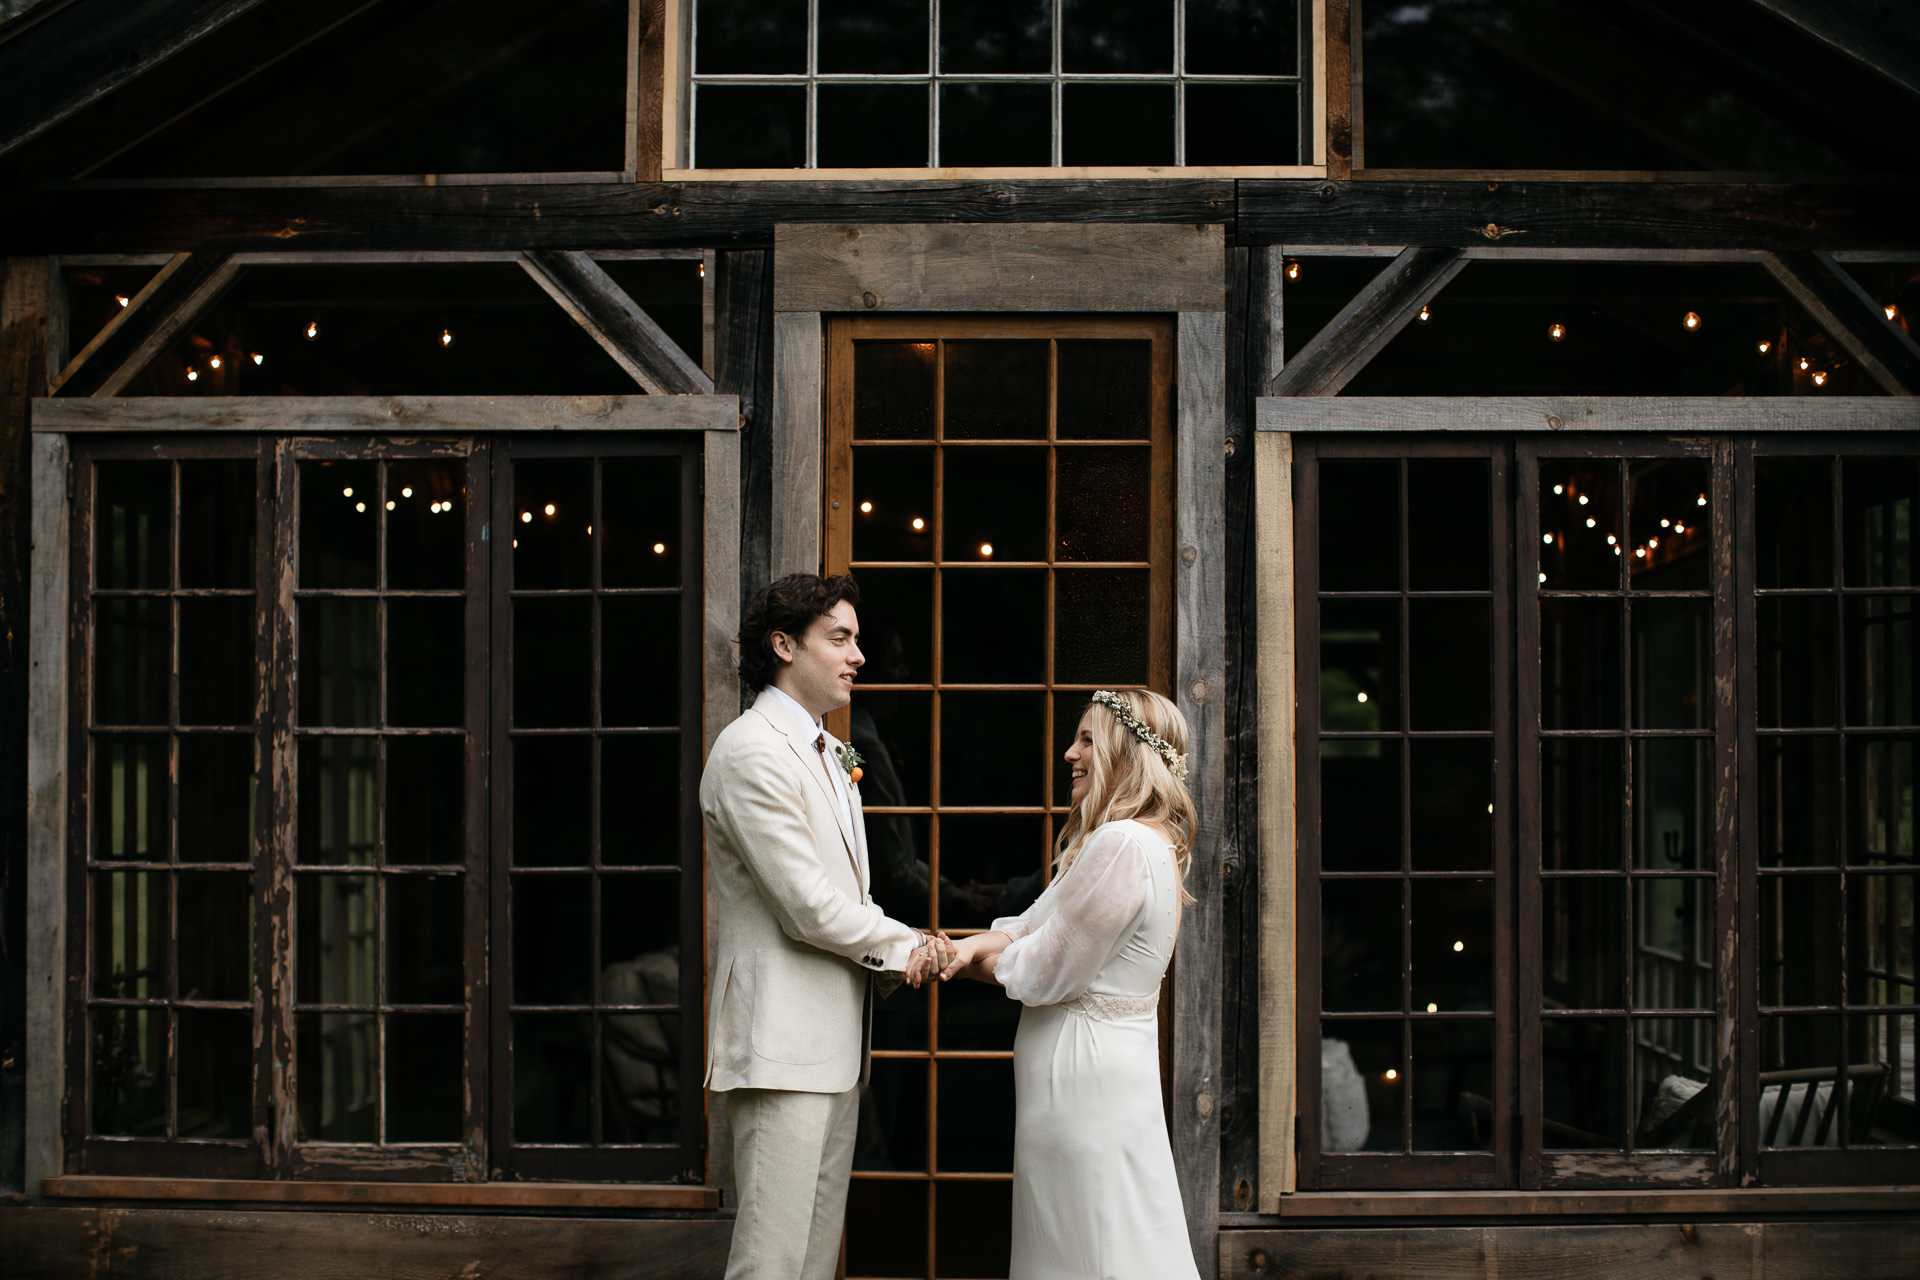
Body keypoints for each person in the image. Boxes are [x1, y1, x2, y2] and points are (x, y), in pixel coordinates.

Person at [700, 573, 951, 1280]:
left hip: (833, 1045)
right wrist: (909, 946)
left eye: (857, 639)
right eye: (839, 638)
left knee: (811, 1260)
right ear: (783, 645)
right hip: (782, 1046)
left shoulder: (826, 750)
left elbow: (849, 888)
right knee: (771, 1262)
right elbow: (807, 905)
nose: (858, 655)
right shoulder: (751, 751)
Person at [937, 687, 1202, 1280]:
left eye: (1087, 739)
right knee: (1109, 1235)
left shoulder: (1121, 845)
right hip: (1097, 1077)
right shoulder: (1139, 841)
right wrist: (979, 943)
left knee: (1089, 1247)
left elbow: (1041, 970)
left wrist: (947, 960)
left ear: (1128, 754)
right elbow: (1032, 928)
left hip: (1083, 1085)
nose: (1069, 754)